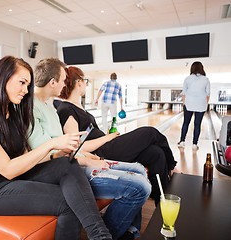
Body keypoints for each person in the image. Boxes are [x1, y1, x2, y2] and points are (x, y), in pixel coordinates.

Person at [0, 56, 112, 240]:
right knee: (69, 202)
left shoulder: (13, 113)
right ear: (3, 79)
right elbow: (7, 169)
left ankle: (100, 235)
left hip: (16, 178)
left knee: (66, 163)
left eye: (28, 85)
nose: (26, 90)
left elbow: (26, 157)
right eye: (22, 83)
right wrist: (51, 145)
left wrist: (55, 155)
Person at [28, 58, 151, 240]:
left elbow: (64, 144)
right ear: (52, 82)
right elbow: (48, 153)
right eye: (63, 79)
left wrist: (88, 155)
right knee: (140, 187)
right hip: (65, 171)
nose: (65, 84)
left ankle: (129, 229)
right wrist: (85, 159)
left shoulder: (49, 106)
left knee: (140, 169)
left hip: (75, 161)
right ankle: (110, 234)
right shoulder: (31, 108)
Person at [57, 66, 178, 206]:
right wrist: (108, 138)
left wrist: (107, 136)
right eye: (85, 81)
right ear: (79, 82)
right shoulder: (66, 109)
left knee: (155, 154)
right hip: (101, 152)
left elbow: (89, 134)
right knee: (150, 133)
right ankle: (172, 166)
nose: (85, 84)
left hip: (108, 146)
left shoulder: (78, 107)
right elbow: (79, 146)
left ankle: (162, 203)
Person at [177, 61, 210, 150]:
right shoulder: (206, 79)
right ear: (201, 68)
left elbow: (184, 93)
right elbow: (208, 94)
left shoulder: (187, 79)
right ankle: (194, 144)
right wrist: (204, 104)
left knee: (186, 123)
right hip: (201, 105)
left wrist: (185, 104)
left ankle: (182, 141)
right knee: (197, 125)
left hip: (189, 104)